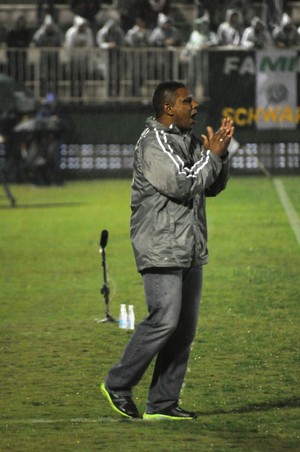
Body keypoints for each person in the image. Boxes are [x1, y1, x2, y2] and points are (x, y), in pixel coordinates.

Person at [100, 80, 234, 420]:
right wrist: (210, 158)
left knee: (184, 328)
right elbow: (183, 183)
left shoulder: (183, 141)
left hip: (187, 244)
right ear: (168, 108)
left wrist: (220, 154)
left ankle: (162, 403)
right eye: (188, 101)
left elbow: (210, 186)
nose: (195, 105)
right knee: (164, 320)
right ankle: (118, 383)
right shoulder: (154, 143)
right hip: (161, 244)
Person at [32, 14, 63, 96]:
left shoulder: (56, 33)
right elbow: (36, 42)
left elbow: (60, 43)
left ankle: (54, 96)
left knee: (54, 77)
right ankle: (44, 96)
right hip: (44, 58)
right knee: (44, 77)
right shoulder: (41, 33)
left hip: (54, 58)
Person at [64, 15, 94, 98]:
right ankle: (73, 96)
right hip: (73, 59)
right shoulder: (71, 32)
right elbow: (69, 45)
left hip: (83, 59)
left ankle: (80, 97)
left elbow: (89, 44)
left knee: (82, 79)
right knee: (73, 79)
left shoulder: (88, 32)